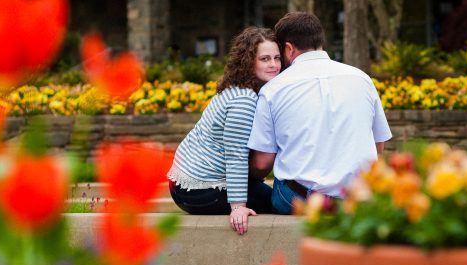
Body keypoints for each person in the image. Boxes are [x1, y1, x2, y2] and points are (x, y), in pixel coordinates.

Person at [248, 12, 392, 214]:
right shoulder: (362, 79)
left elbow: (262, 163)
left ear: (288, 48)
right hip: (359, 198)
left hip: (301, 199)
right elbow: (378, 146)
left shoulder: (273, 89)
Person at [168, 27, 280, 234]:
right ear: (248, 61)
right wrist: (238, 207)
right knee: (279, 203)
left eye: (277, 58)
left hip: (189, 183)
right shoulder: (244, 100)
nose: (273, 65)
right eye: (265, 59)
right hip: (198, 190)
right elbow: (236, 154)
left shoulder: (240, 87)